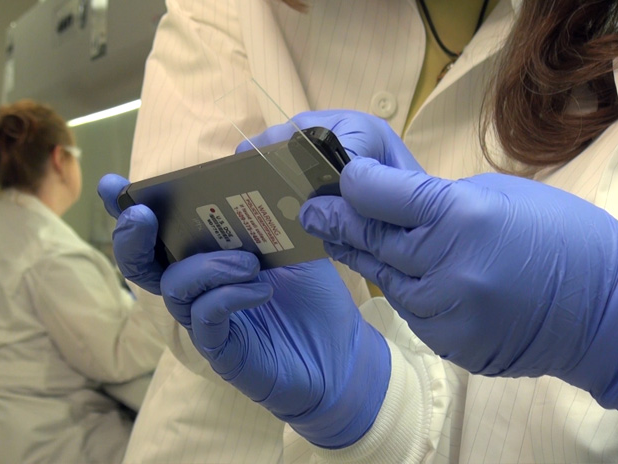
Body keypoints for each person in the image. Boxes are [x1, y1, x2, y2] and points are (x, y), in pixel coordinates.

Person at [100, 0, 618, 462]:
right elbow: (176, 250)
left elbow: (534, 428)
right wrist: (375, 408)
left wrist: (603, 319)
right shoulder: (234, 8)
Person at [0, 100, 165, 464]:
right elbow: (116, 357)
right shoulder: (50, 253)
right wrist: (164, 294)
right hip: (44, 438)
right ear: (60, 159)